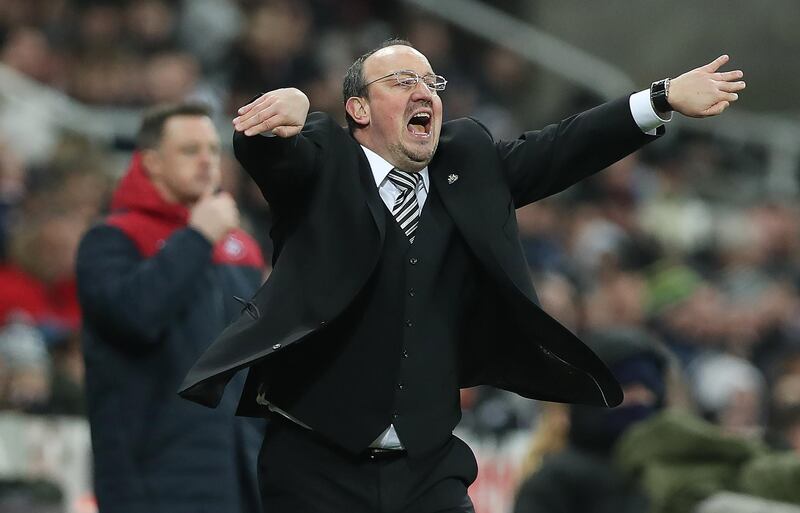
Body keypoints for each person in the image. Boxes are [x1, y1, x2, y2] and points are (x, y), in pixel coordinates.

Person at [179, 40, 745, 513]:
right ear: (358, 109)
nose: (424, 91)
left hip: (428, 467)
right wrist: (284, 116)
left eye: (432, 82)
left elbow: (563, 147)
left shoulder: (468, 161)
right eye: (402, 80)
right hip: (314, 462)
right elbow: (273, 160)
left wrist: (661, 98)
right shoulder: (324, 160)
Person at [76, 103, 265, 513]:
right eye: (189, 150)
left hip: (240, 470)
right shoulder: (111, 240)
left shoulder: (241, 248)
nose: (206, 161)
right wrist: (197, 237)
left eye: (213, 150)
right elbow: (135, 317)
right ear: (152, 162)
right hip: (152, 475)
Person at [513, 327, 670, 513]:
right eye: (627, 390)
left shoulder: (671, 466)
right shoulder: (557, 480)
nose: (640, 400)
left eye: (647, 390)